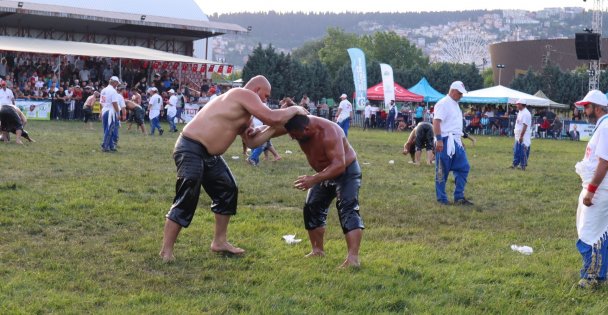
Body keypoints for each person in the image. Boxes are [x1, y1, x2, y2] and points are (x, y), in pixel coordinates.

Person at [159, 75, 307, 262]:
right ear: (256, 89)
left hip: (209, 155)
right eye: (265, 95)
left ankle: (219, 242)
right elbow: (271, 116)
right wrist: (295, 109)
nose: (266, 100)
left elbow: (252, 142)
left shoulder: (245, 114)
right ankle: (166, 251)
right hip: (190, 148)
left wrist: (276, 128)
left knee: (227, 188)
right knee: (187, 195)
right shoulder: (241, 93)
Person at [284, 114, 364, 268]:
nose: (293, 138)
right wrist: (257, 131)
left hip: (346, 171)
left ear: (306, 129)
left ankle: (353, 259)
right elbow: (274, 127)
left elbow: (339, 165)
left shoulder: (329, 133)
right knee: (311, 206)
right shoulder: (298, 124)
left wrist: (313, 179)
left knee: (347, 208)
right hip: (324, 173)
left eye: (295, 135)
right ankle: (317, 250)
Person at [573, 90, 608, 289]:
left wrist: (591, 190)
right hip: (600, 188)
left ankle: (591, 276)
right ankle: (600, 274)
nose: (584, 110)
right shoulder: (602, 126)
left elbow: (604, 162)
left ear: (597, 107)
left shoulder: (605, 128)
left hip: (600, 190)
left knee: (589, 234)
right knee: (600, 233)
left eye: (586, 106)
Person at [433, 81, 472, 205]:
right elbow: (436, 122)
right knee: (441, 171)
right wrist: (439, 139)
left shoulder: (455, 104)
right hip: (444, 140)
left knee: (464, 167)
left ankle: (459, 196)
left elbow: (455, 125)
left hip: (455, 141)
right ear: (453, 91)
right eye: (460, 93)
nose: (461, 96)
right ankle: (442, 198)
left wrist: (460, 141)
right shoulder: (443, 103)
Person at [99, 76, 121, 152]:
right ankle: (105, 145)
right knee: (110, 130)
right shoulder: (113, 91)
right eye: (117, 83)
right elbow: (114, 103)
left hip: (105, 109)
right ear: (114, 82)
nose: (117, 85)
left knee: (106, 129)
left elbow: (101, 102)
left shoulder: (103, 90)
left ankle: (111, 146)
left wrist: (101, 111)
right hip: (111, 111)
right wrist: (118, 113)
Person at [510, 99, 532, 171]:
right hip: (518, 134)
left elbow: (525, 126)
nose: (516, 105)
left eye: (518, 104)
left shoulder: (526, 113)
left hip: (524, 134)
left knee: (523, 150)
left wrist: (521, 136)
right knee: (516, 150)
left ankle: (523, 165)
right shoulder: (520, 112)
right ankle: (515, 164)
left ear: (521, 104)